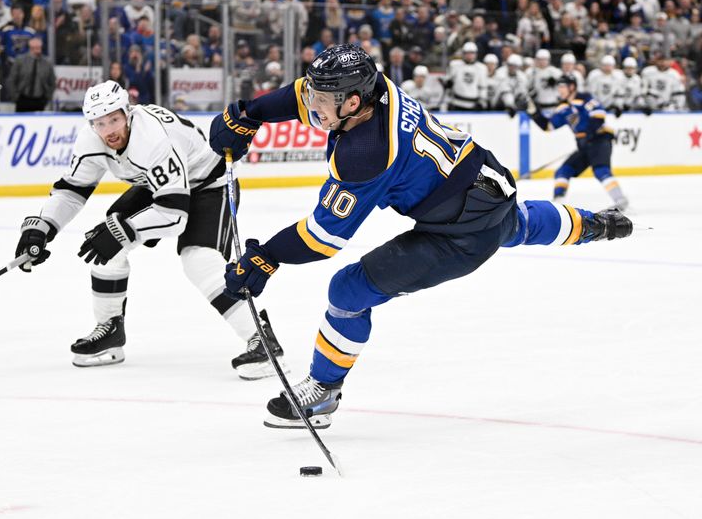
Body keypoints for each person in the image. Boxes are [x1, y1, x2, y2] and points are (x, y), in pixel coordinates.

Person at [208, 44, 633, 429]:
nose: (311, 104)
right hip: (487, 179)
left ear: (353, 102)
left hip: (459, 234)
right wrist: (250, 113)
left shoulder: (367, 152)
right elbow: (300, 93)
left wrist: (266, 257)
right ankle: (595, 224)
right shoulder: (375, 88)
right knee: (516, 223)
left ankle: (323, 391)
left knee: (349, 290)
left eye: (321, 100)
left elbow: (322, 238)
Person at [13, 80, 287, 379]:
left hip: (210, 183)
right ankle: (110, 330)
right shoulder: (91, 140)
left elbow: (174, 213)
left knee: (198, 259)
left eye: (115, 119)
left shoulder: (151, 138)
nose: (109, 130)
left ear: (128, 113)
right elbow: (72, 190)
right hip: (162, 186)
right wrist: (41, 227)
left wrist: (125, 232)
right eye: (100, 123)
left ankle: (262, 339)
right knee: (106, 242)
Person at [529, 75, 630, 211]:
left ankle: (621, 200)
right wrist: (533, 112)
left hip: (599, 141)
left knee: (601, 170)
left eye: (562, 86)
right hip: (584, 146)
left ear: (572, 87)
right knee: (563, 171)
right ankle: (558, 202)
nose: (560, 90)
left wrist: (588, 134)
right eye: (558, 87)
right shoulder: (563, 108)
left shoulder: (585, 98)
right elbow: (548, 127)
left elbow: (599, 115)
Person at [6, 37, 55, 112]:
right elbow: (11, 80)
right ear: (30, 48)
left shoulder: (47, 63)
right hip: (22, 98)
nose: (38, 50)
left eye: (39, 47)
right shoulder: (20, 61)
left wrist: (47, 98)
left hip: (40, 99)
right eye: (35, 48)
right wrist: (15, 97)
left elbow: (52, 82)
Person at [445, 42, 487, 111]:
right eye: (467, 53)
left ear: (476, 54)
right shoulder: (454, 65)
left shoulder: (481, 68)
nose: (469, 55)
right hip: (456, 103)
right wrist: (448, 101)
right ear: (463, 54)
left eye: (472, 53)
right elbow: (448, 85)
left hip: (473, 105)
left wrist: (481, 102)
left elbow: (483, 87)